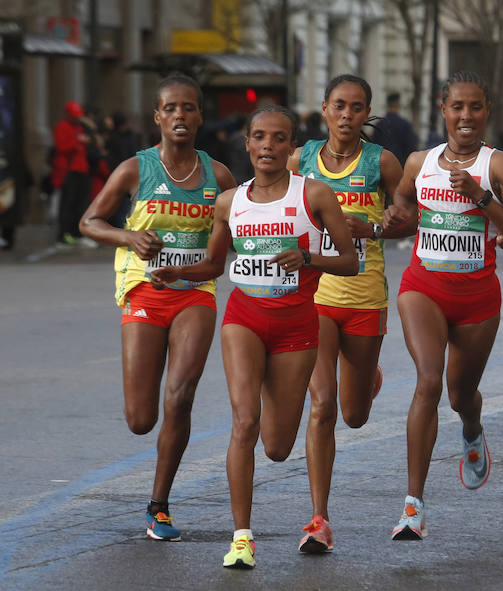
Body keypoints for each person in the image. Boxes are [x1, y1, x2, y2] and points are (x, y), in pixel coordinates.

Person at [149, 105, 358, 568]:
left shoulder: (316, 195)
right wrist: (175, 273)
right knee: (244, 421)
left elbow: (350, 261)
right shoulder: (230, 202)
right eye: (259, 137)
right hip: (244, 318)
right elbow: (213, 265)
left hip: (296, 325)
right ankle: (241, 537)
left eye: (279, 138)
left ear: (290, 147)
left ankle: (314, 508)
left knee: (277, 447)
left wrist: (308, 259)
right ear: (247, 143)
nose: (268, 146)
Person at [79, 74, 237, 542]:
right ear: (158, 116)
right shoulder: (135, 169)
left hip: (195, 293)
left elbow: (241, 232)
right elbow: (89, 221)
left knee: (181, 394)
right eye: (171, 108)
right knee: (141, 418)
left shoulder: (219, 176)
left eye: (189, 108)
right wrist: (128, 235)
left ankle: (160, 505)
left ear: (200, 116)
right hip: (143, 292)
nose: (180, 116)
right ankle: (156, 489)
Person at [389, 71, 503, 540]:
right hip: (422, 287)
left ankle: (472, 428)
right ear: (443, 110)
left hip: (476, 297)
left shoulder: (500, 166)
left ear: (487, 110)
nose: (466, 116)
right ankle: (413, 506)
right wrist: (398, 215)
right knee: (428, 381)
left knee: (459, 395)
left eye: (475, 107)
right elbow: (404, 201)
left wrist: (482, 199)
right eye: (457, 107)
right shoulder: (419, 161)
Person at [286, 74, 414, 552]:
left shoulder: (382, 162)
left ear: (366, 114)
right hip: (314, 297)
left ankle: (367, 377)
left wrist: (374, 229)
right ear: (324, 109)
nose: (346, 115)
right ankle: (319, 519)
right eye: (339, 105)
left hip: (365, 299)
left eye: (357, 108)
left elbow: (410, 220)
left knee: (354, 414)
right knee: (321, 407)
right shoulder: (300, 160)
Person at [54, 100, 92, 246]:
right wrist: (78, 141)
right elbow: (61, 147)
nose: (78, 118)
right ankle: (64, 234)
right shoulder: (62, 127)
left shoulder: (79, 128)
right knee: (68, 204)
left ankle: (77, 234)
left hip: (81, 169)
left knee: (81, 204)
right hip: (69, 171)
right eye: (75, 115)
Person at [372, 92, 419, 168]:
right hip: (399, 166)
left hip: (380, 167)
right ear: (398, 105)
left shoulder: (379, 124)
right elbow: (411, 148)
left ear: (387, 105)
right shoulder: (404, 124)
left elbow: (373, 147)